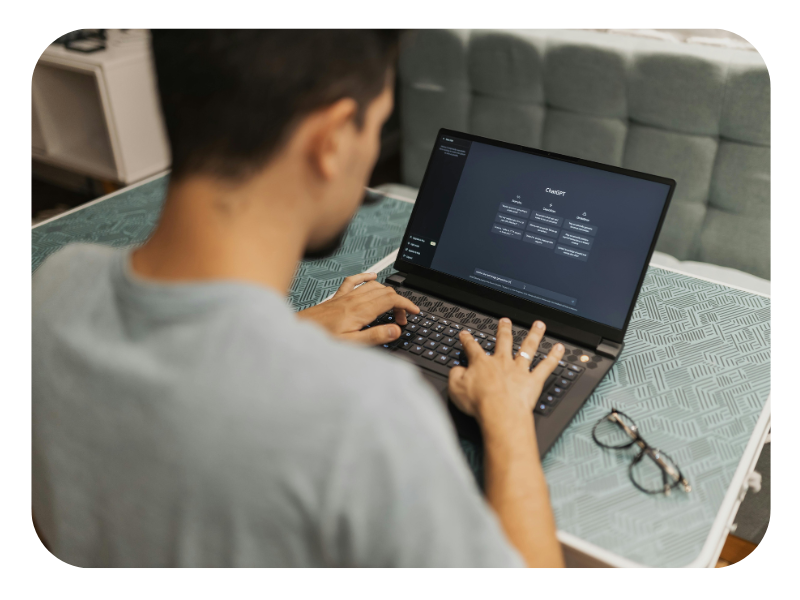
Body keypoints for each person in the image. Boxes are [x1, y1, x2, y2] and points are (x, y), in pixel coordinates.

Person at [30, 28, 565, 568]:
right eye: (377, 124)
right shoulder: (364, 416)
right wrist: (508, 419)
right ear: (331, 140)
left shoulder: (53, 289)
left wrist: (294, 333)